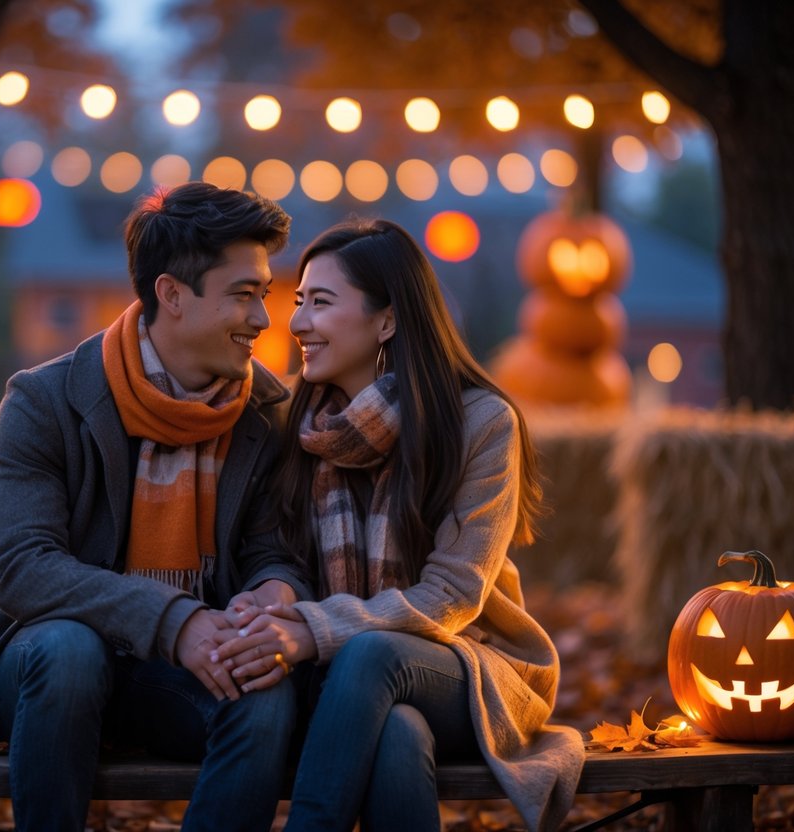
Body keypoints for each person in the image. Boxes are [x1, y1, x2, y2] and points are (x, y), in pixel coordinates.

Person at [0, 182, 311, 832]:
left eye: (265, 295)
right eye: (243, 295)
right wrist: (175, 621)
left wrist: (272, 590)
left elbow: (270, 545)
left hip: (177, 673)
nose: (262, 319)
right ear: (171, 294)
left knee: (262, 690)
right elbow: (23, 569)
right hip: (44, 668)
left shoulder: (265, 413)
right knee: (69, 650)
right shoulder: (44, 400)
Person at [214, 219, 585, 832]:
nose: (298, 322)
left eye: (322, 303)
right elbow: (283, 558)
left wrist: (312, 631)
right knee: (397, 733)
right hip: (348, 687)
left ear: (386, 320)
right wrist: (276, 605)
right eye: (299, 302)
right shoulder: (298, 429)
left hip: (472, 669)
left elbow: (453, 597)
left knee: (372, 654)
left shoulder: (481, 424)